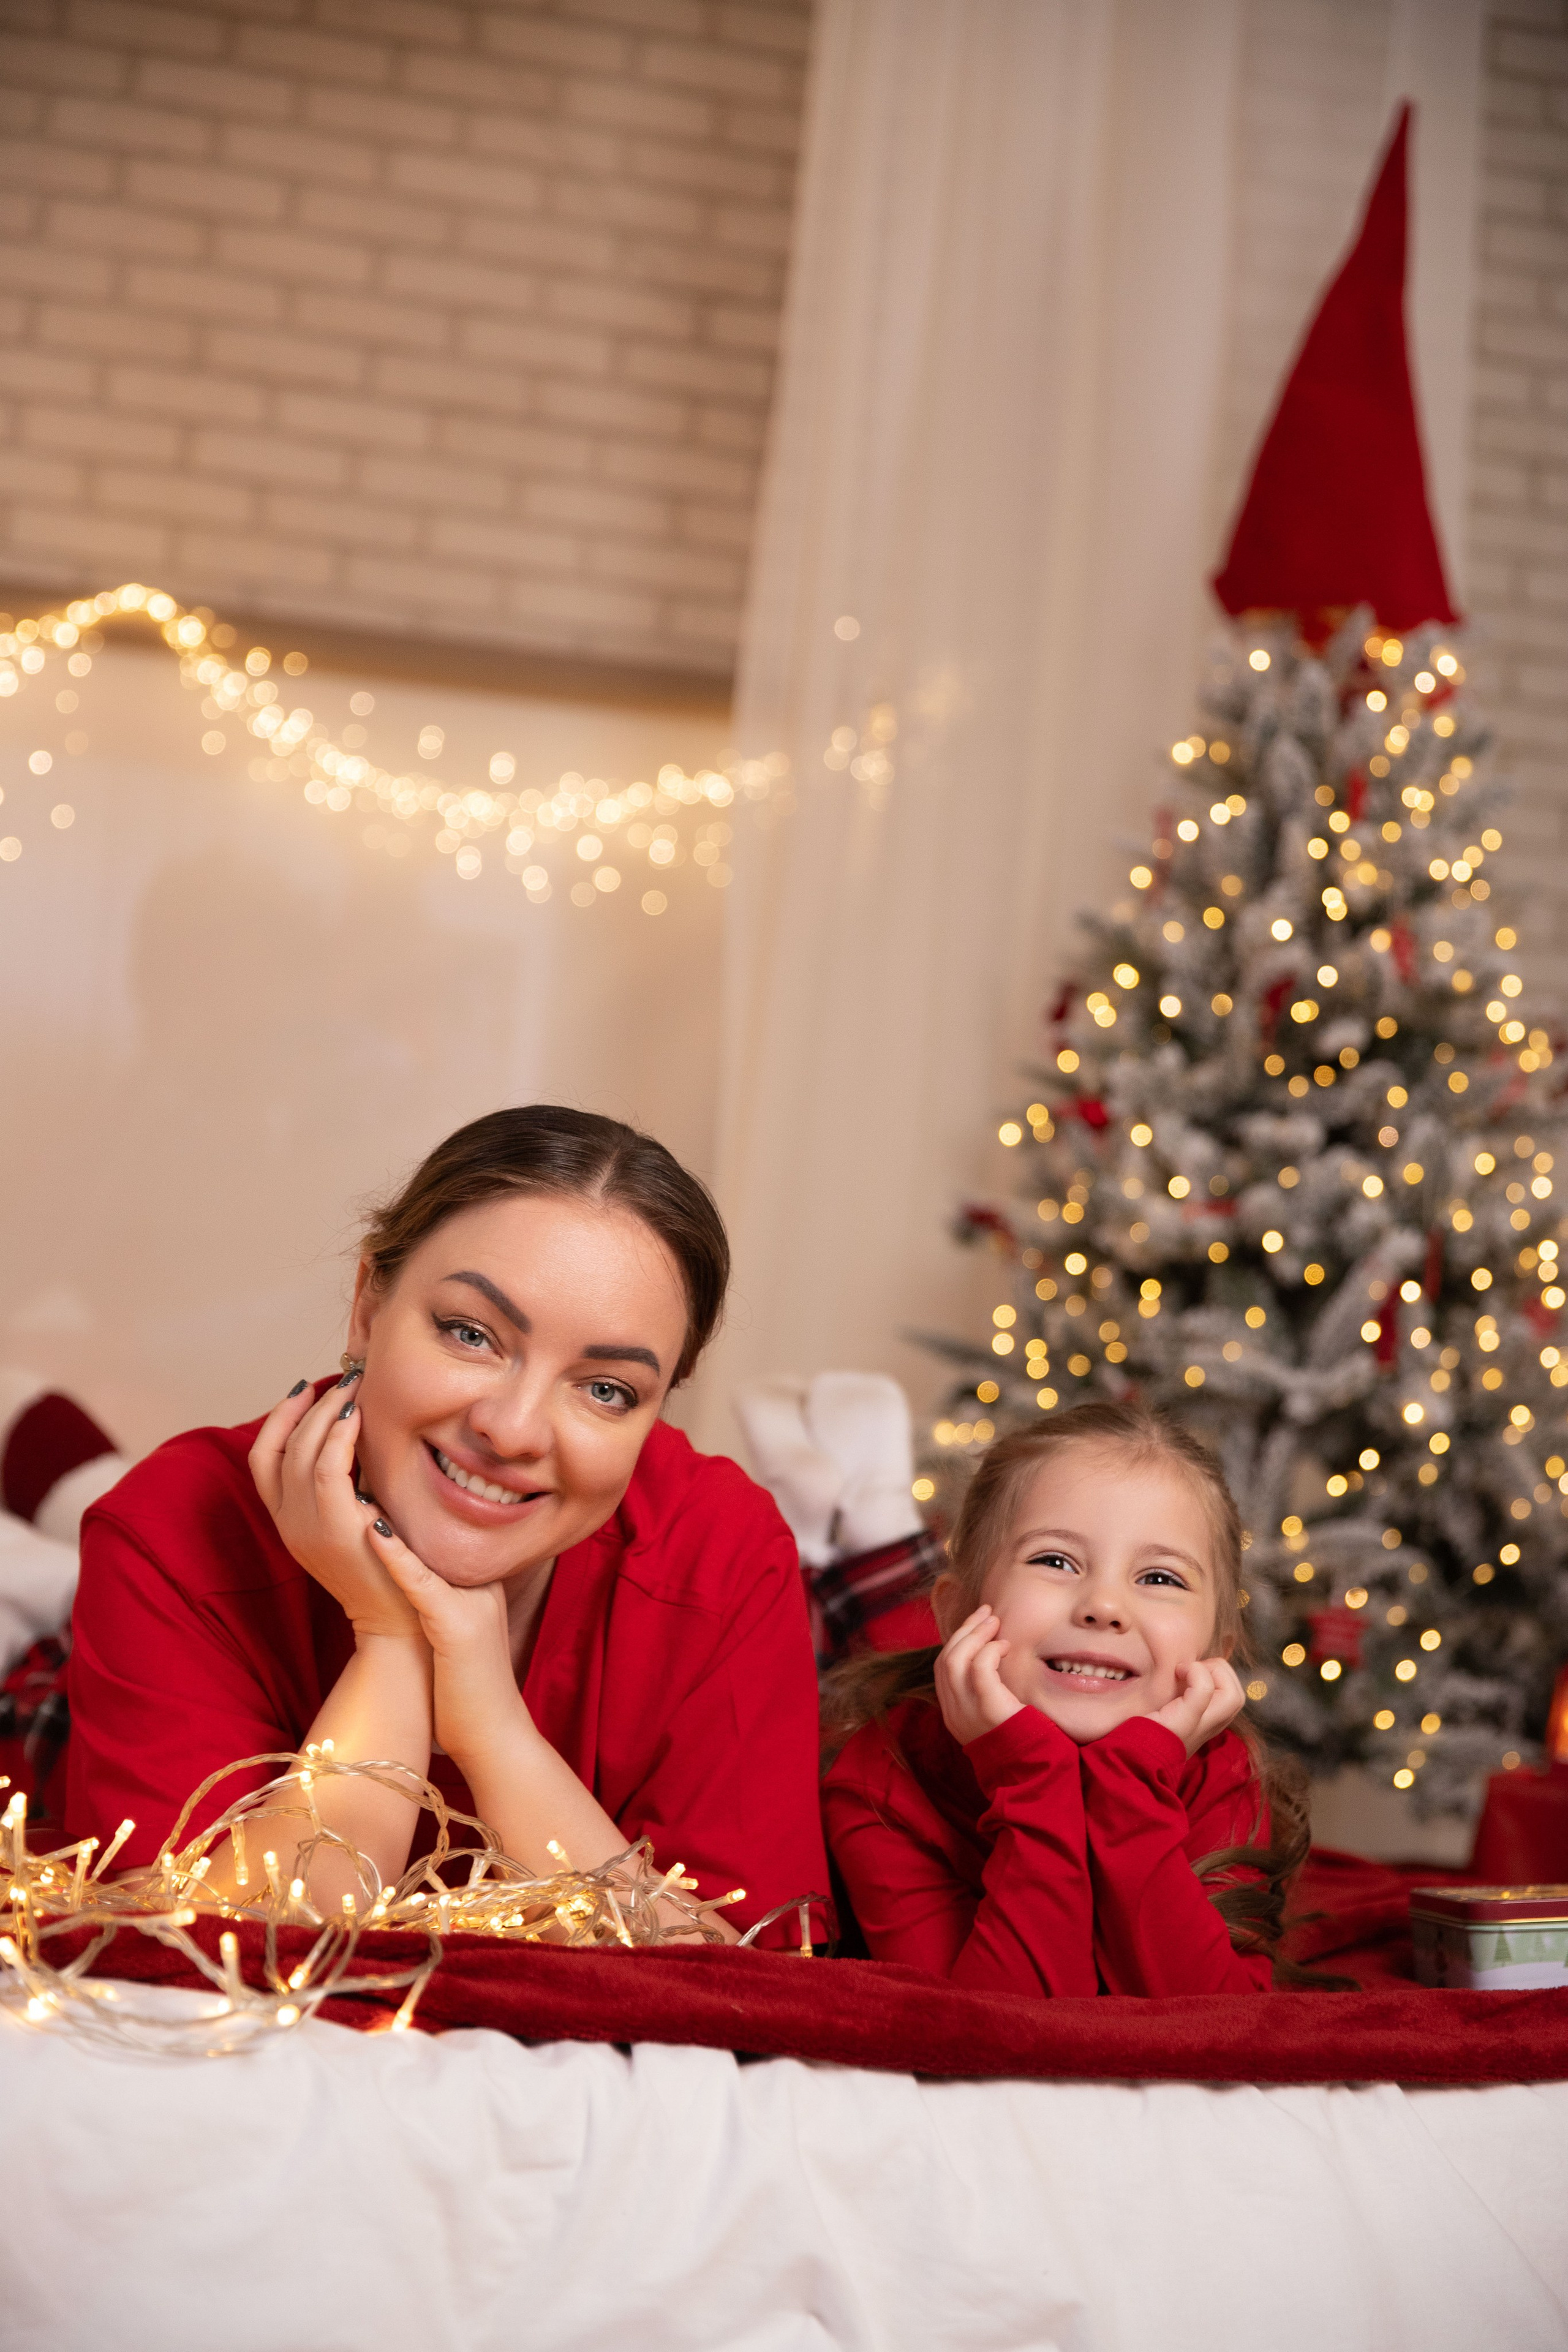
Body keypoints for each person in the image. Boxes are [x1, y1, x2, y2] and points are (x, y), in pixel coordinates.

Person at [66, 1107, 828, 1945]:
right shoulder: (172, 1528)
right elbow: (206, 1963)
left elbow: (750, 1997)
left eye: (605, 1388)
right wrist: (391, 1641)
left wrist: (494, 1733)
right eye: (471, 1334)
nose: (514, 1430)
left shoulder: (723, 1555)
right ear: (367, 1308)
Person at [821, 1401, 1307, 1996]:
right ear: (956, 1614)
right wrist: (1028, 1774)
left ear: (1215, 1649)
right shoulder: (884, 1778)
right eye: (1054, 1560)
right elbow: (996, 2031)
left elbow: (1212, 2024)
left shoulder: (1220, 1773)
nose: (1103, 1607)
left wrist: (1131, 1784)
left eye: (1159, 1578)